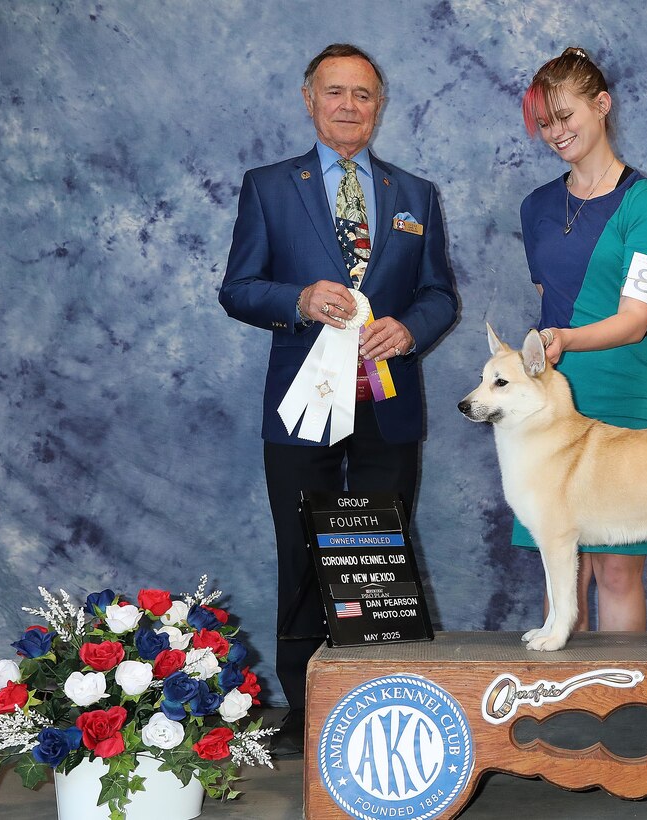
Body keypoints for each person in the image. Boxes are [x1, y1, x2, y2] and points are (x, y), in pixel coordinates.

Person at [219, 43, 457, 756]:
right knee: (301, 548)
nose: (349, 105)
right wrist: (298, 299)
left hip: (387, 398)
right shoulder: (267, 186)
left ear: (378, 106)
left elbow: (439, 294)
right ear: (308, 98)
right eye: (335, 92)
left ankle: (379, 693)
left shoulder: (414, 195)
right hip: (302, 404)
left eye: (363, 94)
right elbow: (237, 288)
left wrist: (407, 329)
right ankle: (304, 703)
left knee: (379, 549)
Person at [515, 47, 647, 635]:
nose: (556, 132)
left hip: (627, 392)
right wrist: (554, 345)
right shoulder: (535, 207)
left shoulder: (644, 201)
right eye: (546, 122)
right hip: (553, 399)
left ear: (602, 105)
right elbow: (548, 290)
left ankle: (624, 716)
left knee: (616, 572)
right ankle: (565, 716)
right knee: (563, 569)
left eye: (565, 115)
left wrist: (561, 338)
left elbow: (635, 318)